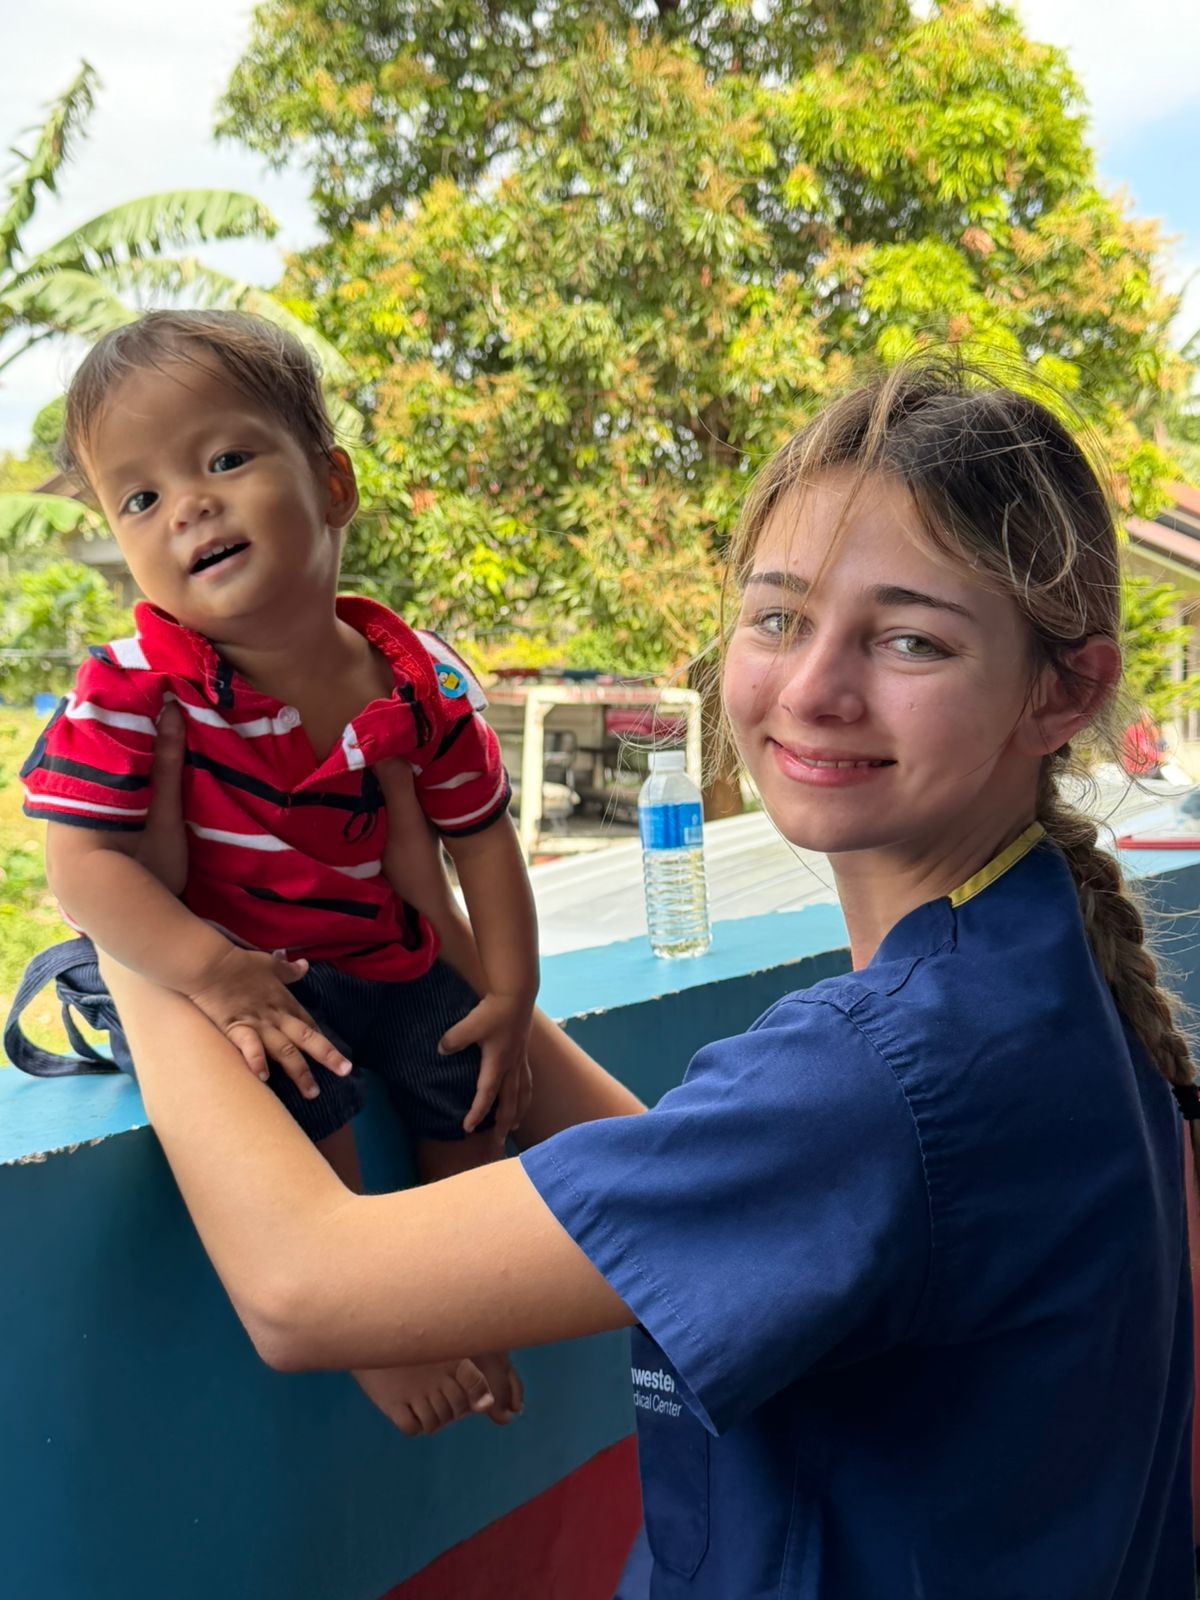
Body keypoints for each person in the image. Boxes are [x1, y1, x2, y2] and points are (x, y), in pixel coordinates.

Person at [97, 362, 1199, 1596]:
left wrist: (142, 922)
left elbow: (303, 1290)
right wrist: (436, 942)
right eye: (778, 619)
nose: (813, 690)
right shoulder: (1038, 971)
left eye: (910, 640)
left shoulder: (885, 1074)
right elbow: (726, 1187)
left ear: (1063, 691)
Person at [6, 310, 539, 1432]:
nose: (186, 507)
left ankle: (474, 1289)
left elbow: (481, 833)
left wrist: (511, 990)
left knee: (469, 1084)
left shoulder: (415, 675)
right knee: (299, 1092)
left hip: (376, 954)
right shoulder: (133, 685)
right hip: (226, 973)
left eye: (224, 459)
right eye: (139, 497)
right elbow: (82, 866)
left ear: (333, 485)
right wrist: (215, 971)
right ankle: (376, 1330)